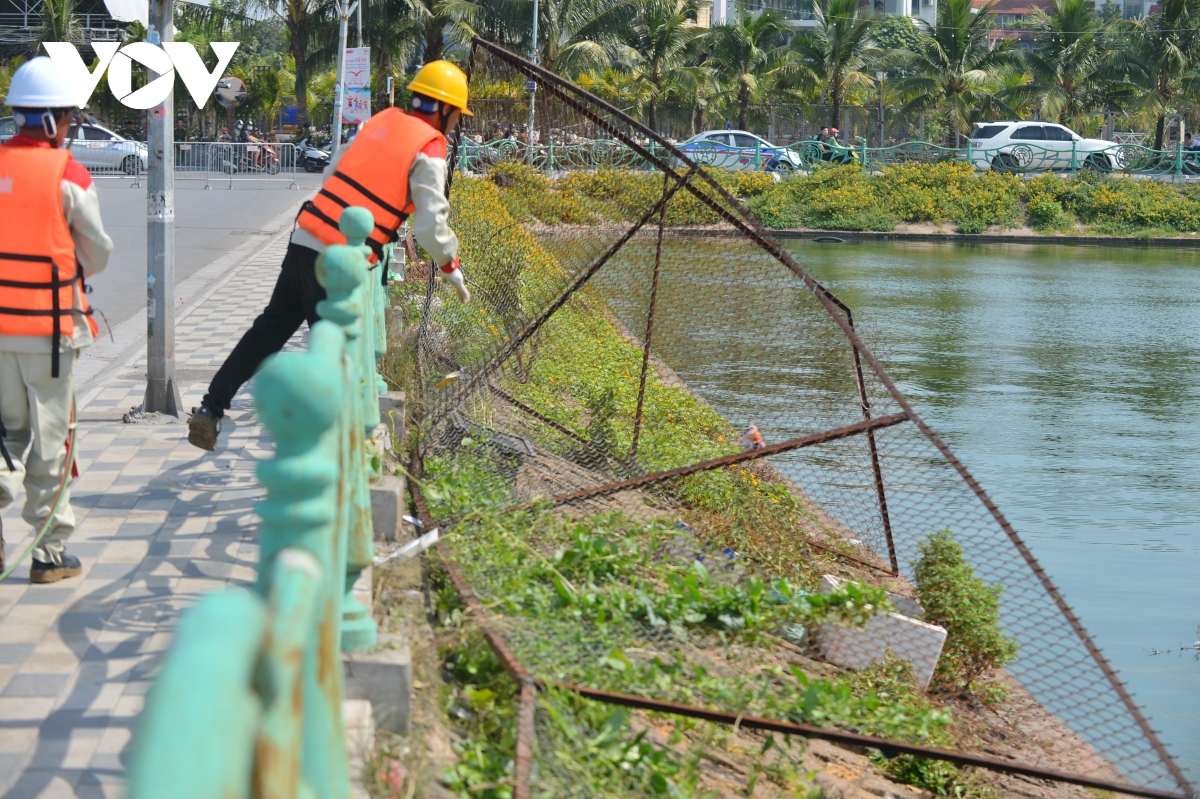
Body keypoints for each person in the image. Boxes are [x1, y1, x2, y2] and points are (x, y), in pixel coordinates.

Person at [187, 60, 473, 451]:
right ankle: (327, 442)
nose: (456, 123)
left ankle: (211, 408)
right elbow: (430, 222)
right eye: (457, 116)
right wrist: (450, 266)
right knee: (339, 352)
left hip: (306, 236)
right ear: (445, 110)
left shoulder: (382, 120)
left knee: (267, 332)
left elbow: (334, 172)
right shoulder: (430, 147)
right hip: (341, 261)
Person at [0, 57, 113, 582]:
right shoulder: (68, 172)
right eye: (68, 118)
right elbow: (97, 254)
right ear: (51, 121)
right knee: (51, 441)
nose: (71, 128)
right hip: (48, 332)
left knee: (5, 436)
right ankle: (48, 556)